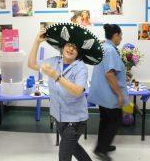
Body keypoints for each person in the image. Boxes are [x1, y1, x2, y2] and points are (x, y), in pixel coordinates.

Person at [28, 23, 104, 161]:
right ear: (63, 46)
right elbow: (31, 64)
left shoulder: (80, 67)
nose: (71, 49)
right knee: (74, 148)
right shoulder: (54, 61)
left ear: (78, 53)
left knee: (64, 155)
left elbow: (77, 91)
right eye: (69, 45)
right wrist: (37, 42)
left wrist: (56, 76)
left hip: (75, 121)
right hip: (59, 118)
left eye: (75, 48)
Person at [88, 24, 129, 161]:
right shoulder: (110, 50)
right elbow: (110, 74)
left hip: (102, 92)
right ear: (116, 35)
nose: (121, 39)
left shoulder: (104, 47)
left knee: (105, 120)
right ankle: (101, 150)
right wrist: (119, 94)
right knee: (115, 121)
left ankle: (102, 146)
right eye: (120, 36)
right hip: (109, 94)